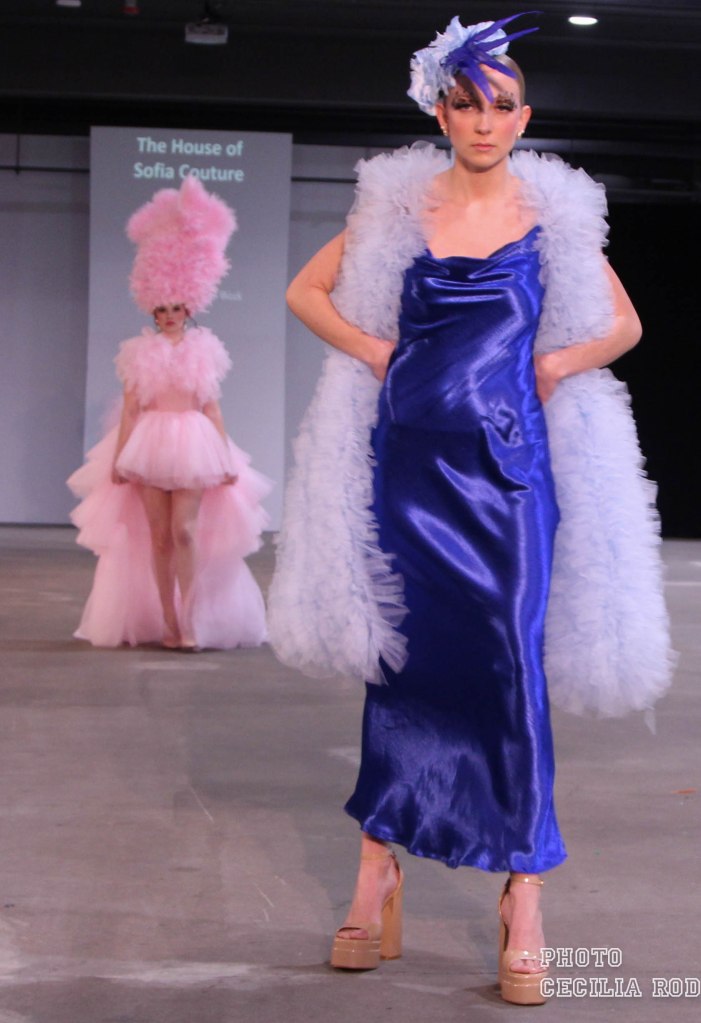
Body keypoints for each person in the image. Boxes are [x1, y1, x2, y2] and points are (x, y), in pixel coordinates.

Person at [270, 11, 674, 1006]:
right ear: (440, 113)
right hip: (409, 468)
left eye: (500, 106)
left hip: (509, 479)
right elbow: (304, 292)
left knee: (507, 664)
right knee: (403, 663)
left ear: (522, 118)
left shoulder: (550, 217)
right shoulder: (397, 212)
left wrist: (554, 364)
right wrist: (377, 351)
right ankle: (378, 868)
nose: (483, 121)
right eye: (464, 103)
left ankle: (521, 890)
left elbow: (624, 323)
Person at [69, 175, 271, 651]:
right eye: (161, 309)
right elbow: (131, 410)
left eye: (176, 308)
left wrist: (224, 457)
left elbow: (212, 408)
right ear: (153, 310)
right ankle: (168, 622)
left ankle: (192, 618)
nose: (169, 315)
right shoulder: (138, 352)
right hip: (149, 445)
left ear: (188, 307)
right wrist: (121, 457)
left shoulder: (205, 349)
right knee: (158, 537)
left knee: (184, 532)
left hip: (194, 444)